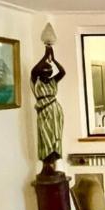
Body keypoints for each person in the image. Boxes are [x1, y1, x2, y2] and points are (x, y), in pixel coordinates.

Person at [30, 44, 66, 174]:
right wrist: (45, 56)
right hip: (43, 111)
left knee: (56, 136)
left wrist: (54, 59)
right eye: (45, 73)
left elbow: (62, 72)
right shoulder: (36, 81)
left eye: (49, 73)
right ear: (41, 73)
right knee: (45, 137)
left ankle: (56, 163)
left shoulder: (53, 81)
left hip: (55, 110)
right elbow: (33, 71)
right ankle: (46, 165)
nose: (48, 75)